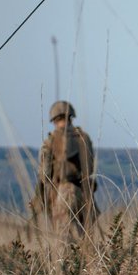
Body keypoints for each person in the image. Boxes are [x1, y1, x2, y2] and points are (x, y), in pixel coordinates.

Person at [31, 100, 98, 236]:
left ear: (54, 120)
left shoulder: (50, 142)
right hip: (83, 193)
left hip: (60, 195)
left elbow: (44, 174)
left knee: (63, 241)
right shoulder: (83, 138)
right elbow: (90, 168)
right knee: (84, 239)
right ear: (71, 117)